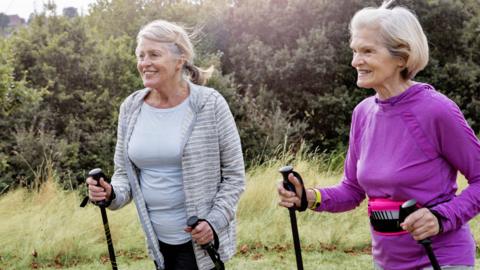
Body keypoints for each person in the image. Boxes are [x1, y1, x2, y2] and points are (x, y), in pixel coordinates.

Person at [277, 1, 480, 269]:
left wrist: (441, 217)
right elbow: (351, 190)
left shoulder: (437, 110)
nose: (355, 61)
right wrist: (308, 197)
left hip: (440, 259)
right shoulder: (363, 113)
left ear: (402, 58)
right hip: (386, 262)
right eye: (355, 51)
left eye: (367, 51)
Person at [86, 19, 245, 270]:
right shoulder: (131, 108)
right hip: (158, 242)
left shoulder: (210, 104)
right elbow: (124, 175)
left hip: (201, 243)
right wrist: (110, 193)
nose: (144, 63)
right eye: (140, 55)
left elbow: (235, 176)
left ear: (179, 59)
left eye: (154, 54)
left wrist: (213, 222)